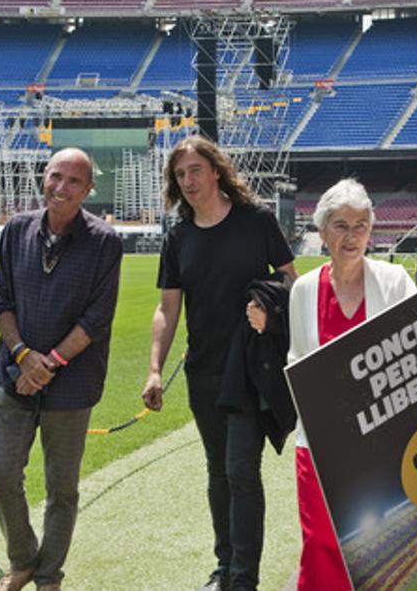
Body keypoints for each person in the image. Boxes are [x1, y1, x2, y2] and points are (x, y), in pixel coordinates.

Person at [143, 135, 297, 591]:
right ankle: (224, 567)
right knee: (217, 473)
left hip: (251, 369)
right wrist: (155, 368)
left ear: (216, 171)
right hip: (203, 372)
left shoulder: (257, 221)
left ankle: (243, 578)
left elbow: (292, 279)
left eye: (195, 170)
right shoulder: (179, 237)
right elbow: (167, 309)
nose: (188, 181)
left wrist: (269, 308)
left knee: (240, 471)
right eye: (180, 174)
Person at [0, 148, 123, 591]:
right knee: (0, 475)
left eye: (73, 181)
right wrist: (24, 356)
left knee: (62, 490)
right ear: (43, 178)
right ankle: (23, 559)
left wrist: (50, 364)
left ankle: (48, 576)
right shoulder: (16, 230)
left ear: (89, 190)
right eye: (54, 176)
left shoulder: (103, 242)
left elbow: (96, 318)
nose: (61, 188)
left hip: (72, 385)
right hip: (12, 376)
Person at [286, 179, 417, 590]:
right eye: (341, 225)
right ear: (322, 232)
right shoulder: (305, 290)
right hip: (321, 446)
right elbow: (297, 362)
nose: (352, 235)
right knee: (322, 545)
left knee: (383, 545)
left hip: (381, 444)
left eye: (361, 225)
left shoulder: (394, 281)